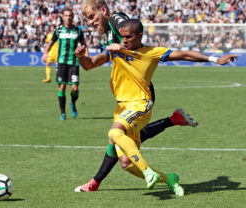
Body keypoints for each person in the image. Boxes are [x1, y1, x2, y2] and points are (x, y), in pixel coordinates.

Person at [74, 19, 237, 195]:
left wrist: (215, 58)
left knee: (114, 133)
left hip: (140, 104)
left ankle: (147, 171)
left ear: (140, 35)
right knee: (126, 164)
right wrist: (81, 56)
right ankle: (169, 179)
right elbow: (89, 65)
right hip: (121, 108)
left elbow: (184, 54)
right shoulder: (115, 50)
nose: (124, 40)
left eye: (128, 37)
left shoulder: (151, 53)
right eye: (122, 37)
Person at [75, 0, 197, 193]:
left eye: (92, 16)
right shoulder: (107, 33)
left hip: (138, 94)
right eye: (87, 19)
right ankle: (172, 122)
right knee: (125, 157)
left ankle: (95, 182)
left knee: (117, 135)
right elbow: (91, 64)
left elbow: (130, 27)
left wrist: (121, 44)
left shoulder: (115, 20)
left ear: (104, 10)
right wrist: (84, 57)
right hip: (125, 95)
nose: (89, 22)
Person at [42, 8, 89, 120]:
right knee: (62, 87)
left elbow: (84, 45)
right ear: (63, 17)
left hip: (74, 62)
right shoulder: (58, 30)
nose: (68, 17)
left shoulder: (77, 31)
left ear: (72, 17)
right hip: (62, 62)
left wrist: (87, 58)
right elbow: (51, 43)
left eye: (70, 15)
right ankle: (63, 113)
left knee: (74, 89)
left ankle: (73, 103)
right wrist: (45, 53)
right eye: (66, 15)